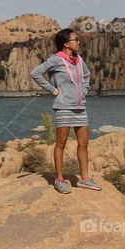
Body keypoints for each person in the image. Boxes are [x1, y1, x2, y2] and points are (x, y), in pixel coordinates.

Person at [30, 28, 101, 194]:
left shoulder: (78, 59)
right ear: (65, 44)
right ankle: (59, 180)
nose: (78, 42)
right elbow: (36, 73)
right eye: (75, 39)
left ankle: (84, 179)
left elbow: (87, 75)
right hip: (63, 107)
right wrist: (52, 90)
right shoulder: (56, 59)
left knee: (83, 143)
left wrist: (84, 92)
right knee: (61, 144)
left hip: (80, 107)